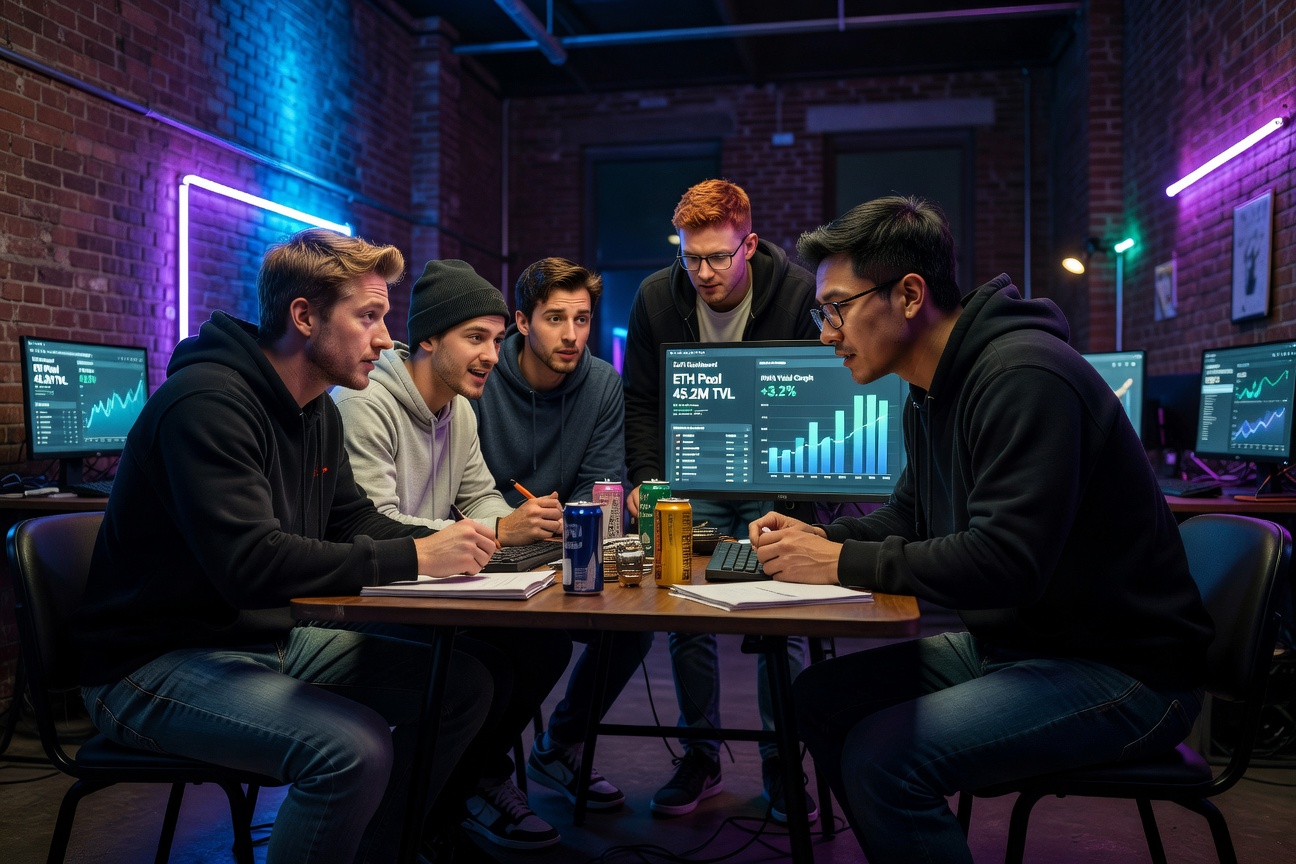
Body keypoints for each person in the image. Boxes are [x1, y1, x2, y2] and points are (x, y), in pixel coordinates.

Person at [751, 196, 1215, 864]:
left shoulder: (1023, 377)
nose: (827, 334)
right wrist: (821, 541)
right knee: (819, 699)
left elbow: (1006, 562)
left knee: (884, 760)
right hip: (1022, 645)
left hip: (1125, 673)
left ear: (909, 295)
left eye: (836, 309)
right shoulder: (930, 391)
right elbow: (910, 517)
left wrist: (837, 565)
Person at [73, 228, 496, 864]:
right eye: (369, 316)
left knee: (461, 687)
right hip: (150, 664)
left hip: (262, 641)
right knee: (350, 749)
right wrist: (416, 557)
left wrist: (456, 544)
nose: (386, 339)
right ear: (304, 316)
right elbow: (251, 564)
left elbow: (354, 521)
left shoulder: (316, 410)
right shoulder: (206, 403)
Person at [331, 259, 571, 853]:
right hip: (366, 598)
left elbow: (479, 494)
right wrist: (501, 529)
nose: (492, 355)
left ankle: (456, 797)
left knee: (543, 647)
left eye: (497, 339)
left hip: (427, 589)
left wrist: (521, 523)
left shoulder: (458, 408)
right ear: (430, 339)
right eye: (475, 338)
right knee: (482, 671)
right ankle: (417, 822)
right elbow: (374, 523)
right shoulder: (364, 403)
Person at [621, 178, 821, 821]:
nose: (703, 273)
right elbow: (642, 400)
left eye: (717, 257)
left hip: (775, 472)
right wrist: (648, 480)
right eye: (690, 257)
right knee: (685, 604)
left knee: (780, 615)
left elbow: (817, 394)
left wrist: (797, 496)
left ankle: (782, 764)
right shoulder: (657, 297)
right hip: (693, 471)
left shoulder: (798, 294)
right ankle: (701, 757)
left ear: (749, 245)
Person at [471, 257, 653, 816]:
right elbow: (464, 486)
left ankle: (560, 745)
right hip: (490, 547)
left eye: (582, 318)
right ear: (523, 322)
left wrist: (564, 529)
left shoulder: (601, 383)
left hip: (563, 544)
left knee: (632, 627)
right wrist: (514, 526)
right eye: (555, 319)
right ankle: (480, 774)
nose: (572, 335)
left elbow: (601, 484)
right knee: (524, 643)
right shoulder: (480, 378)